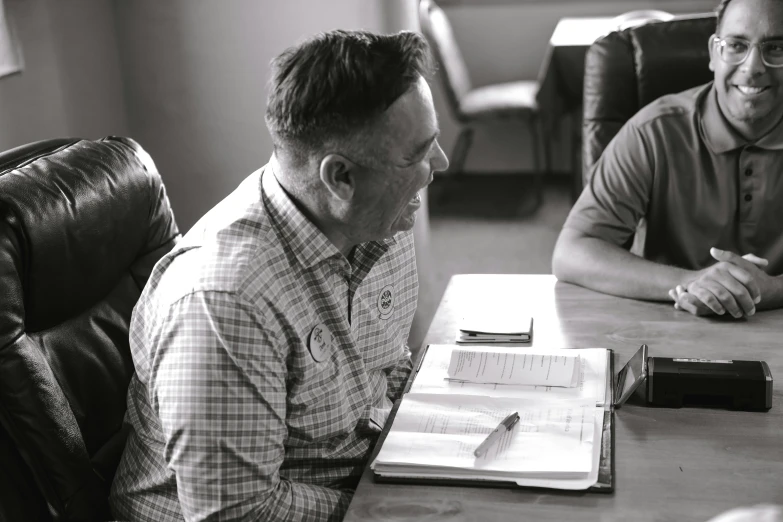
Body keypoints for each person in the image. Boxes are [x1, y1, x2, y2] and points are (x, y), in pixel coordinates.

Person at [109, 29, 448, 522]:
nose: (439, 164)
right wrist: (393, 508)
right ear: (341, 178)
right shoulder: (225, 299)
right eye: (417, 154)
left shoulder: (380, 220)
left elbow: (385, 371)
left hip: (348, 480)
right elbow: (236, 511)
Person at [552, 0, 783, 319]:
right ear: (714, 54)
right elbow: (573, 251)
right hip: (668, 323)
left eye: (777, 48)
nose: (753, 66)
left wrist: (772, 290)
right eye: (736, 45)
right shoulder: (652, 131)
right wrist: (693, 282)